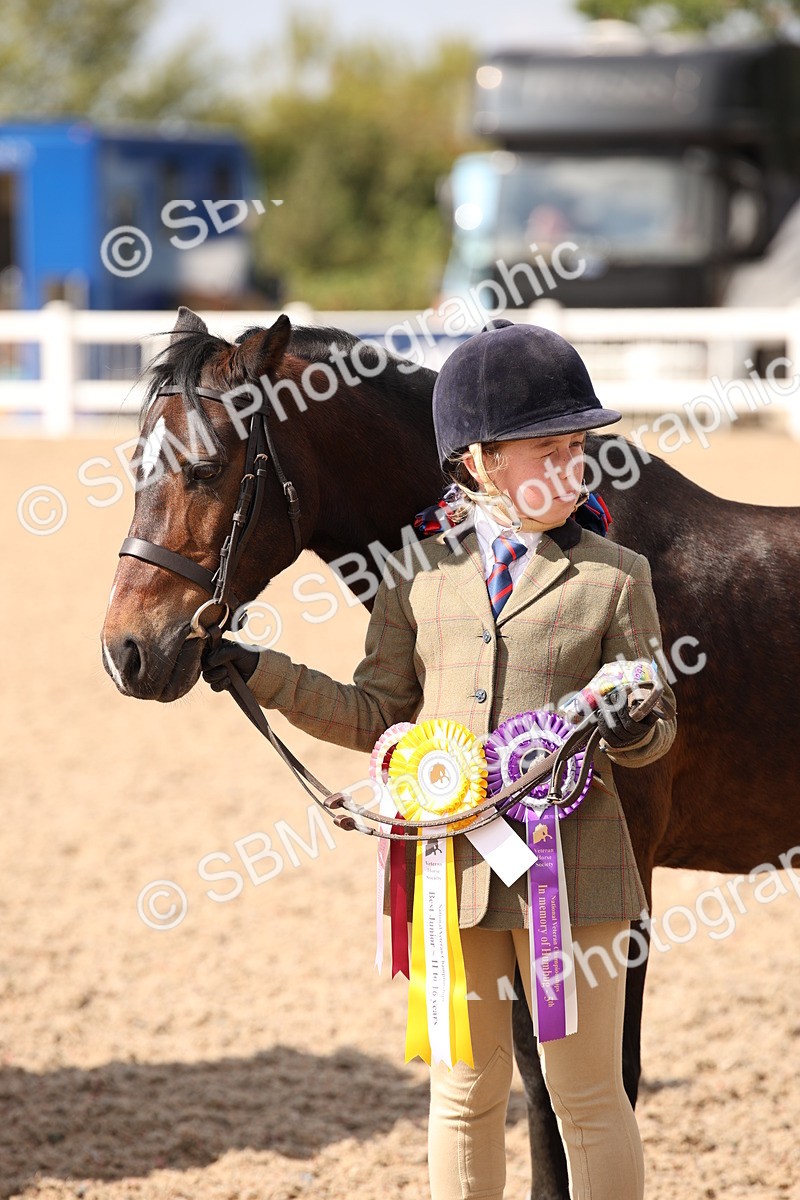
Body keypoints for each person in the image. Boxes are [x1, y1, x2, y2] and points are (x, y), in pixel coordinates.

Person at [202, 319, 678, 1200]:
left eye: (579, 446)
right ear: (479, 460)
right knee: (462, 1094)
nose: (575, 467)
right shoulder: (415, 574)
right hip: (453, 865)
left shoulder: (617, 577)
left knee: (587, 1097)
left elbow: (657, 736)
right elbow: (375, 711)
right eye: (550, 449)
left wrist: (632, 714)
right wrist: (261, 672)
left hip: (579, 876)